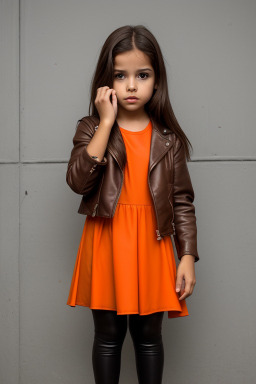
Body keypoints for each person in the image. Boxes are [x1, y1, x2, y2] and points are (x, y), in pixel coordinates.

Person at [66, 24, 199, 384]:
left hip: (153, 244)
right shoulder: (91, 128)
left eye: (142, 75)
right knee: (108, 338)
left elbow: (182, 200)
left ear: (157, 81)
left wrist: (186, 255)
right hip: (106, 239)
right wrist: (106, 123)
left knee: (149, 338)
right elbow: (79, 182)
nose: (131, 85)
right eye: (120, 75)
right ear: (105, 82)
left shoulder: (168, 140)